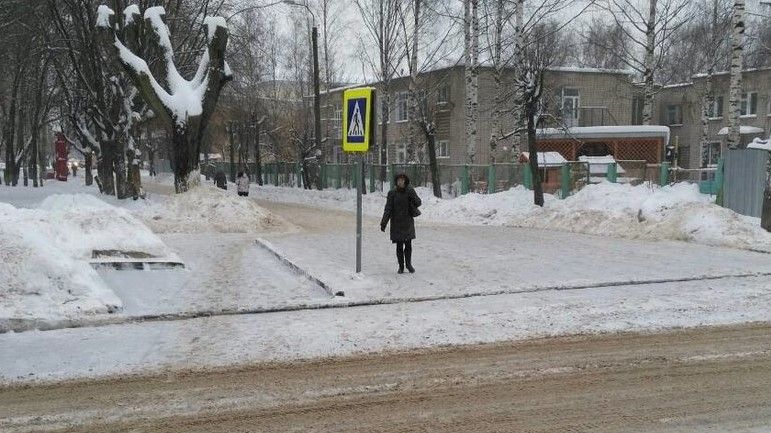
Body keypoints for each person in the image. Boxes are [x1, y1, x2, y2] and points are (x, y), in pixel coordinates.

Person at [380, 173, 422, 274]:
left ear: (405, 181)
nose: (400, 182)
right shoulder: (392, 193)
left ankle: (409, 264)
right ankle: (401, 266)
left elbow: (419, 202)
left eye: (402, 180)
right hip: (396, 223)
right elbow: (388, 209)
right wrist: (384, 222)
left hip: (408, 223)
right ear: (396, 181)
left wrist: (412, 197)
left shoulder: (410, 191)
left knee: (408, 245)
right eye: (399, 180)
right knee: (399, 246)